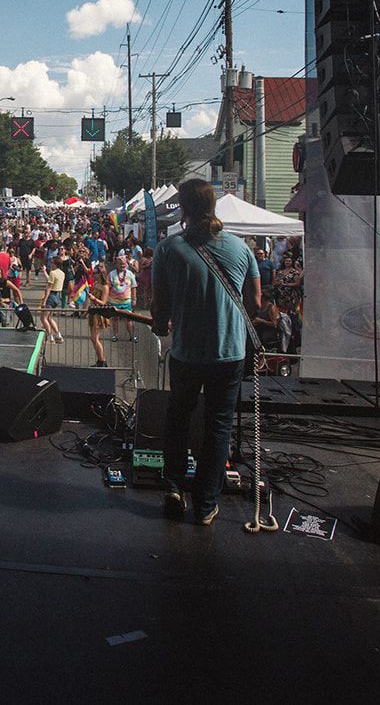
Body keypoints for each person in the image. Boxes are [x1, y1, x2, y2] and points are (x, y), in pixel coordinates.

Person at [149, 179, 260, 526]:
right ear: (214, 206)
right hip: (229, 353)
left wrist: (162, 323)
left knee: (178, 419)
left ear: (182, 208)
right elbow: (255, 302)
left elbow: (160, 305)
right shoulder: (241, 248)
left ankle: (173, 488)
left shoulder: (168, 249)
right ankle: (206, 504)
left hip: (186, 353)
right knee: (218, 426)